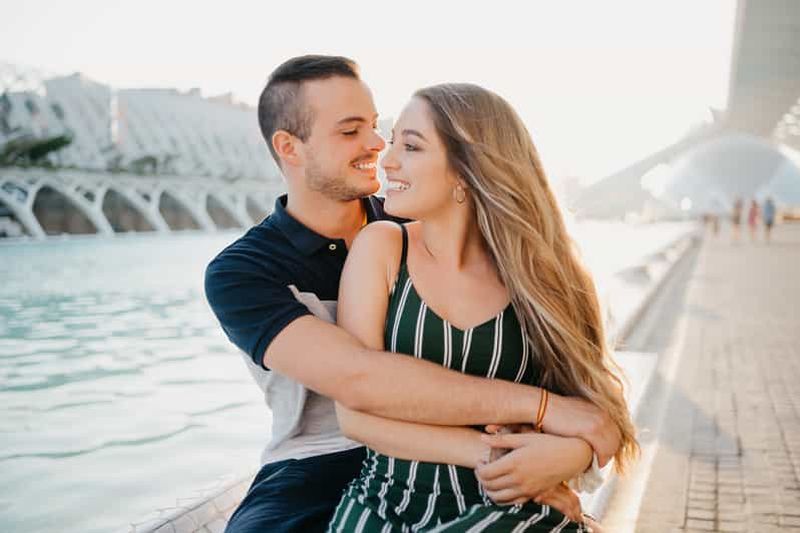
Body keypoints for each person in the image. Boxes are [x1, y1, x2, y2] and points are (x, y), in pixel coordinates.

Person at [205, 56, 621, 533]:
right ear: (289, 148)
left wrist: (563, 453)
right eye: (350, 131)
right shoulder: (243, 271)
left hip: (463, 449)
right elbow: (359, 380)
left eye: (375, 126)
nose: (377, 145)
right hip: (317, 463)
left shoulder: (423, 214)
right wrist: (534, 421)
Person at [327, 84, 637, 532]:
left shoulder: (545, 275)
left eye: (410, 146)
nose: (387, 161)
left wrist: (574, 453)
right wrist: (493, 453)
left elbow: (600, 416)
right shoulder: (383, 247)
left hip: (512, 510)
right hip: (384, 506)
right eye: (393, 142)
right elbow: (353, 417)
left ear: (465, 170)